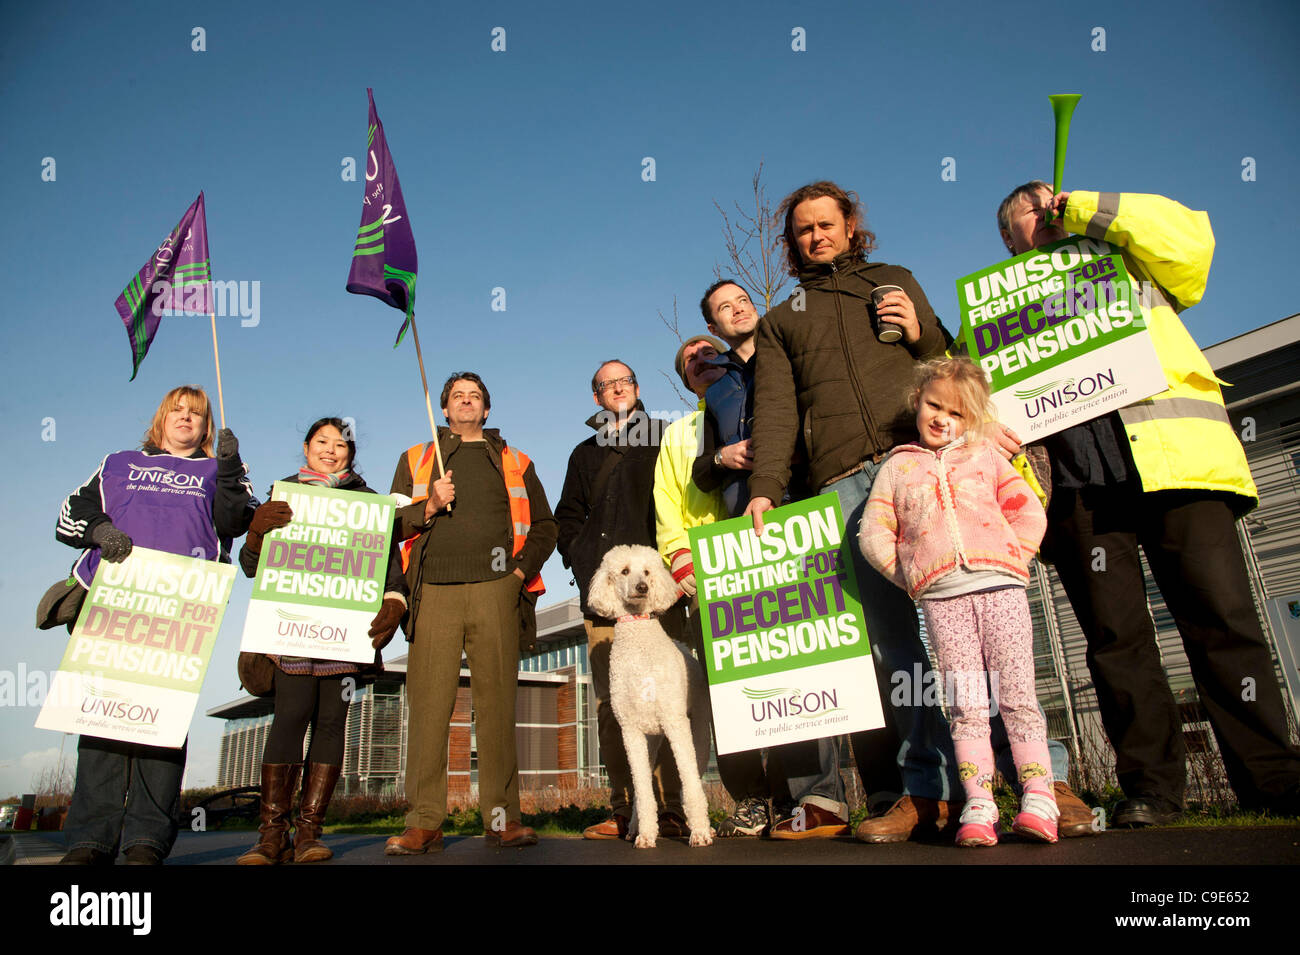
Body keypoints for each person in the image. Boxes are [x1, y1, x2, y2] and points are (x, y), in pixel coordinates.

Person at [993, 181, 1300, 823]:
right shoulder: (992, 313)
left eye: (1053, 203)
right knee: (1115, 642)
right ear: (1007, 238)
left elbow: (1190, 242)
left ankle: (1273, 780)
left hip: (1174, 467)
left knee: (1222, 622)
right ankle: (1152, 791)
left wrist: (1086, 207)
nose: (1045, 214)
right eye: (1030, 211)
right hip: (1078, 495)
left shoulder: (1132, 264)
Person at [744, 180, 965, 842]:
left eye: (826, 224)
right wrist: (766, 486)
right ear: (791, 244)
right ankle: (926, 790)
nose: (816, 235)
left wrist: (923, 332)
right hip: (841, 485)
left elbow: (952, 370)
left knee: (967, 626)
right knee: (888, 645)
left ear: (850, 225)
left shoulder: (894, 278)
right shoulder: (780, 320)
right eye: (803, 229)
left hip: (919, 466)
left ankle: (1028, 778)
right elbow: (778, 411)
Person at [859, 358, 1057, 845]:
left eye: (958, 413)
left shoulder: (987, 457)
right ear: (917, 402)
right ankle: (980, 805)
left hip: (1003, 589)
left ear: (973, 419)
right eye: (933, 405)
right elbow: (873, 535)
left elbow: (1027, 512)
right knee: (966, 704)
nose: (943, 418)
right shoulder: (897, 467)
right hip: (942, 601)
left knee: (1017, 696)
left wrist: (1014, 558)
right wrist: (914, 577)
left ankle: (1039, 798)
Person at [54, 385, 254, 865]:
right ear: (161, 420)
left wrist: (228, 467)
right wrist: (100, 530)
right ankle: (89, 840)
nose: (187, 418)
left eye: (197, 414)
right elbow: (68, 514)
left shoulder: (219, 469)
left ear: (207, 427)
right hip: (113, 600)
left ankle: (146, 840)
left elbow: (234, 521)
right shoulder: (118, 462)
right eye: (177, 411)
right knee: (100, 721)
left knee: (160, 728)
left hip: (182, 607)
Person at [384, 373, 557, 854]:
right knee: (429, 711)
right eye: (457, 396)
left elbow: (545, 525)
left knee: (498, 707)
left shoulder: (515, 460)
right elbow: (387, 525)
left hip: (496, 591)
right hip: (433, 592)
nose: (465, 401)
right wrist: (429, 506)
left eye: (474, 396)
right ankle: (424, 822)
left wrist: (518, 576)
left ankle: (503, 819)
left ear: (485, 409)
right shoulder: (416, 459)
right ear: (444, 409)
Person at [235, 418, 408, 865]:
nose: (331, 451)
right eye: (322, 443)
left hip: (344, 634)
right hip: (291, 633)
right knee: (290, 716)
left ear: (351, 453)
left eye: (340, 445)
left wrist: (395, 600)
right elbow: (252, 567)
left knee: (332, 723)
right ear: (307, 448)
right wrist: (255, 532)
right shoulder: (284, 493)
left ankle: (310, 832)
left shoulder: (369, 502)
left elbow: (389, 562)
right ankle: (271, 834)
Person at [555, 360, 690, 840]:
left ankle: (673, 809)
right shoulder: (583, 453)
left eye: (624, 380)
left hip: (660, 598)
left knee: (673, 703)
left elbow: (683, 500)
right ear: (596, 397)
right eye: (606, 384)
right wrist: (584, 560)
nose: (616, 388)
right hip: (608, 601)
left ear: (637, 388)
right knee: (614, 706)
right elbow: (565, 517)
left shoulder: (664, 438)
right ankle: (626, 807)